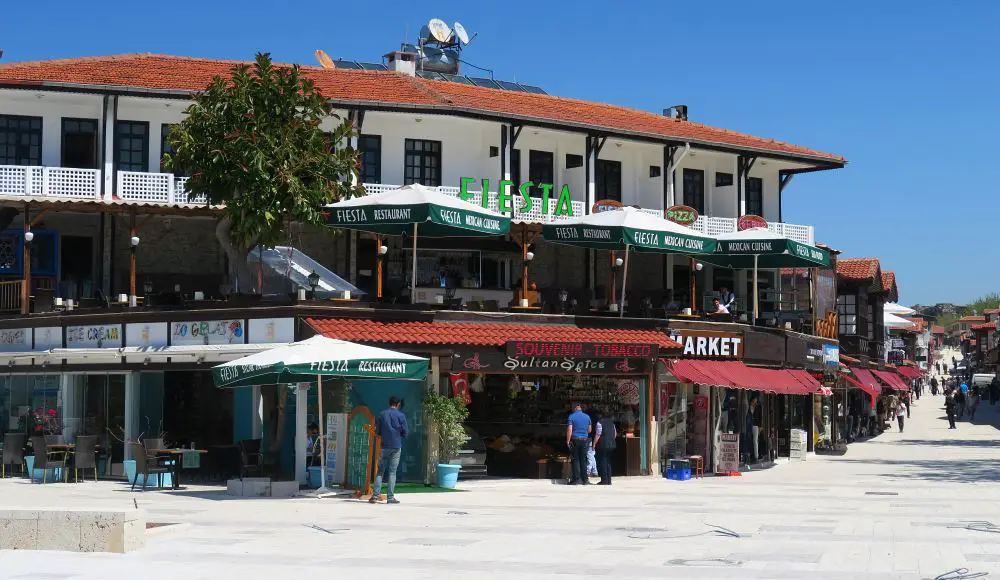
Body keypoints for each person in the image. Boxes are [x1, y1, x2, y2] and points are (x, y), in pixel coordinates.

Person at [370, 396, 408, 504]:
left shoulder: (382, 414)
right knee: (392, 472)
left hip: (383, 446)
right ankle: (390, 498)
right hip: (396, 446)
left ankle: (374, 496)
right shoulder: (401, 415)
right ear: (398, 404)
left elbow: (378, 432)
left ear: (389, 403)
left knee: (380, 472)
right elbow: (405, 432)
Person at [566, 403, 592, 485]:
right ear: (581, 409)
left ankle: (576, 479)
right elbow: (589, 430)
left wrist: (568, 440)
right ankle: (585, 480)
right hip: (584, 440)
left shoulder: (571, 416)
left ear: (574, 409)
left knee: (575, 460)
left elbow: (570, 429)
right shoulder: (587, 416)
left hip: (575, 440)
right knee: (583, 460)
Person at [592, 408, 617, 485]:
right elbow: (615, 434)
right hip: (612, 444)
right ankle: (609, 480)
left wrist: (594, 443)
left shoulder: (599, 423)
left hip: (603, 444)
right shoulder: (612, 423)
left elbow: (598, 434)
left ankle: (604, 480)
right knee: (608, 461)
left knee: (602, 461)